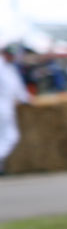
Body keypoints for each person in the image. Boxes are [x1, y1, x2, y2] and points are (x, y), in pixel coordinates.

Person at [0, 46, 31, 176]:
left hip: (5, 108)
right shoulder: (5, 69)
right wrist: (26, 99)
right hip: (4, 109)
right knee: (11, 136)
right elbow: (16, 88)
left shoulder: (8, 68)